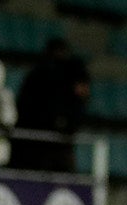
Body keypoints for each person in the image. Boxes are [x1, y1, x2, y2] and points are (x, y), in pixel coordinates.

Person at [10, 37, 89, 174]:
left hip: (57, 142)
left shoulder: (70, 74)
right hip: (37, 142)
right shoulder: (39, 75)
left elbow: (81, 99)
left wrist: (69, 125)